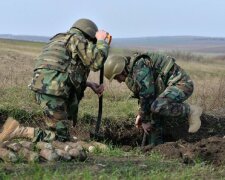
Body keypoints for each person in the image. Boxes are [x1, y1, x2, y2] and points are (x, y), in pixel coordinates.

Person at [0, 18, 111, 143]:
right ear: (89, 35)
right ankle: (19, 131)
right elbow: (97, 62)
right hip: (53, 91)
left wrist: (88, 84)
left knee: (57, 131)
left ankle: (40, 140)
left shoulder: (58, 40)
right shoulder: (77, 39)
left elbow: (62, 69)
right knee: (60, 138)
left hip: (43, 87)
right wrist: (101, 41)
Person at [104, 52, 202, 146]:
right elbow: (143, 96)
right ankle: (156, 147)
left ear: (121, 70)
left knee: (157, 106)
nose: (119, 81)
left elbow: (147, 94)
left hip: (182, 84)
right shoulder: (132, 72)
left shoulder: (139, 68)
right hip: (166, 87)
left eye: (117, 77)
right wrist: (141, 114)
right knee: (153, 112)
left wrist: (145, 120)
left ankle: (191, 111)